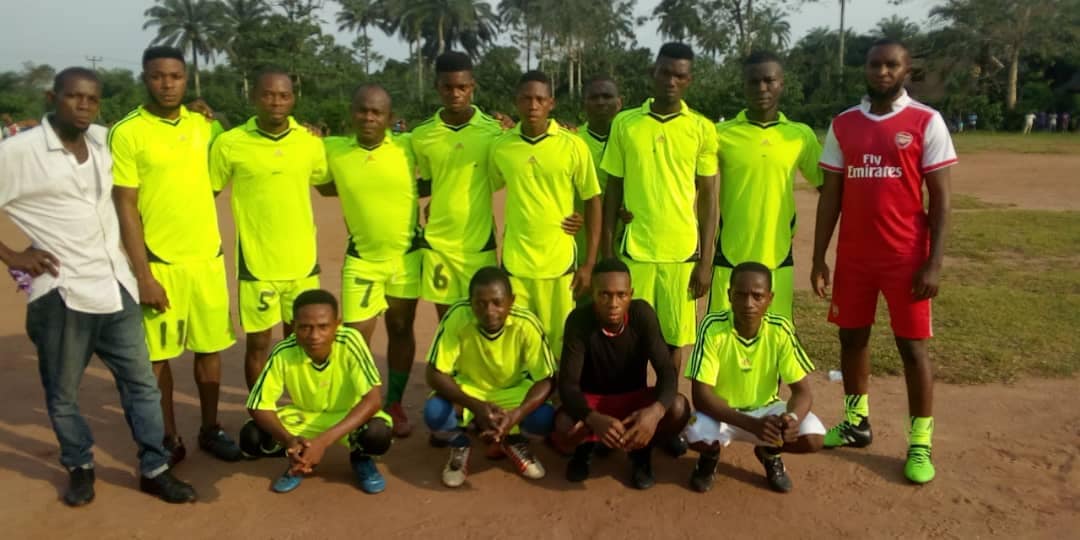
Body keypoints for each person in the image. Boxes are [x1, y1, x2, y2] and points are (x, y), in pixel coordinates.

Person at [0, 67, 195, 505]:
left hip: (116, 286)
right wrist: (13, 256)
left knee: (142, 384)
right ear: (52, 98)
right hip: (62, 293)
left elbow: (151, 140)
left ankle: (155, 467)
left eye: (92, 99)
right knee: (63, 394)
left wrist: (196, 116)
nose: (84, 106)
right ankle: (80, 466)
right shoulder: (19, 153)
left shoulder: (106, 141)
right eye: (74, 97)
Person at [812, 39, 956, 484]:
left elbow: (942, 200)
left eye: (892, 65)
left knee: (912, 348)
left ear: (906, 70)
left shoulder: (926, 121)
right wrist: (819, 256)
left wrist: (933, 263)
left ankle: (920, 443)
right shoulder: (844, 124)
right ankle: (856, 423)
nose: (882, 71)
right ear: (866, 69)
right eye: (875, 64)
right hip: (855, 257)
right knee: (851, 339)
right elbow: (831, 196)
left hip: (905, 257)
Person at [110, 46, 241, 465]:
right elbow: (125, 205)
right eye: (157, 76)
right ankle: (168, 435)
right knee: (158, 358)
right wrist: (143, 275)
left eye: (175, 76)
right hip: (160, 264)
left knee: (210, 349)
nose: (167, 84)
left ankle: (210, 428)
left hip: (207, 260)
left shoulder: (205, 126)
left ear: (187, 80)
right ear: (144, 79)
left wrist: (211, 113)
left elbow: (228, 160)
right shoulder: (127, 132)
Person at [600, 42, 719, 452]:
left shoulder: (701, 128)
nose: (671, 80)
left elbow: (709, 198)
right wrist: (607, 251)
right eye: (665, 72)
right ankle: (629, 419)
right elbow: (613, 188)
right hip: (636, 253)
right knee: (629, 343)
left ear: (689, 80)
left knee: (672, 346)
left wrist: (706, 260)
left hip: (681, 256)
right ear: (653, 73)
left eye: (680, 75)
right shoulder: (626, 124)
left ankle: (663, 422)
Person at [209, 68, 328, 392]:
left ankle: (302, 403)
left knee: (302, 340)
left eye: (284, 95)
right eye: (268, 95)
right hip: (257, 265)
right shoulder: (230, 143)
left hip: (302, 264)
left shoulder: (309, 142)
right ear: (253, 97)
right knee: (259, 344)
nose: (276, 102)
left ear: (293, 99)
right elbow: (207, 193)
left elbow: (330, 185)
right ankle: (260, 409)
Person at [322, 84, 420, 438]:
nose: (368, 117)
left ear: (390, 118)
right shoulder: (333, 150)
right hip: (362, 260)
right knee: (354, 338)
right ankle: (361, 403)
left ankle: (394, 402)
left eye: (377, 112)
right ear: (352, 113)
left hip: (405, 259)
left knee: (401, 329)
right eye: (362, 110)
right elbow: (323, 186)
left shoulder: (408, 147)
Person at [489, 70, 602, 356]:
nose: (533, 105)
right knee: (519, 343)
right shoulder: (501, 147)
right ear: (516, 102)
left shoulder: (573, 145)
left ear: (551, 103)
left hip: (559, 265)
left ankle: (559, 386)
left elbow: (592, 199)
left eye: (540, 99)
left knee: (560, 344)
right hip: (517, 263)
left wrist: (589, 264)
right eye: (526, 99)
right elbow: (484, 188)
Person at [684, 262, 823, 493]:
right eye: (741, 295)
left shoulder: (780, 329)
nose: (748, 303)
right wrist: (751, 425)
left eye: (757, 296)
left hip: (766, 413)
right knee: (693, 432)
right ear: (729, 295)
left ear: (770, 298)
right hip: (725, 415)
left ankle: (769, 452)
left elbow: (803, 392)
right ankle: (710, 456)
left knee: (814, 436)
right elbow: (701, 396)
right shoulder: (712, 326)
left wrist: (791, 419)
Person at [553, 258, 690, 489]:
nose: (613, 303)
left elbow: (667, 371)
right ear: (593, 294)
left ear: (631, 294)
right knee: (563, 423)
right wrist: (592, 418)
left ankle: (642, 451)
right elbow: (568, 385)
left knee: (678, 407)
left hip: (634, 403)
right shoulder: (578, 320)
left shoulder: (642, 314)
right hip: (595, 403)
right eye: (604, 295)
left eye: (621, 295)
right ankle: (586, 448)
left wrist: (654, 412)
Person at [242, 289, 393, 494]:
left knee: (378, 433)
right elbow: (257, 405)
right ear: (293, 326)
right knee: (252, 437)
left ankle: (361, 457)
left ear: (337, 324)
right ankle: (298, 457)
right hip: (305, 417)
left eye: (323, 327)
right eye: (305, 327)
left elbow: (373, 400)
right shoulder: (283, 351)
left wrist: (322, 443)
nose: (314, 336)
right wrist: (289, 440)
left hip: (347, 414)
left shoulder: (350, 341)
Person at [709, 50, 823, 320]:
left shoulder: (800, 136)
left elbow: (828, 187)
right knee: (721, 333)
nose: (762, 88)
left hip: (778, 257)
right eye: (754, 81)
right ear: (743, 86)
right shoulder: (719, 134)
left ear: (781, 83)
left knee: (775, 333)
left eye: (769, 81)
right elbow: (688, 184)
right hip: (730, 256)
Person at [424, 267, 557, 488]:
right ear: (470, 302)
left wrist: (516, 415)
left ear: (511, 301)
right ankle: (460, 445)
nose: (489, 311)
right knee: (435, 412)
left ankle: (513, 440)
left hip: (512, 390)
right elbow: (433, 372)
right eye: (480, 304)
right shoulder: (458, 315)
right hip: (470, 390)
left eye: (497, 302)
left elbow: (548, 378)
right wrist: (475, 406)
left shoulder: (526, 322)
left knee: (543, 418)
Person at [409, 52, 504, 320]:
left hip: (479, 243)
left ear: (472, 86)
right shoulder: (422, 135)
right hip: (439, 243)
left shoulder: (494, 132)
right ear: (437, 87)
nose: (455, 94)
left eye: (462, 87)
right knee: (448, 323)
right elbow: (432, 181)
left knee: (483, 322)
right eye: (447, 87)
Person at [574, 76, 623, 283]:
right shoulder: (572, 141)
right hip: (580, 245)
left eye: (607, 96)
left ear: (619, 102)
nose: (601, 102)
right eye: (594, 97)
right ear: (584, 103)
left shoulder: (631, 140)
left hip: (624, 245)